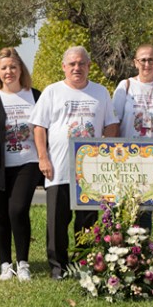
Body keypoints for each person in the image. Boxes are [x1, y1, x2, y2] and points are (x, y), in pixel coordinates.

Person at [31, 46, 119, 280]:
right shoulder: (52, 92)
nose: (77, 68)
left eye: (81, 63)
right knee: (57, 222)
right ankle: (58, 267)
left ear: (89, 66)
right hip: (58, 168)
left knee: (87, 222)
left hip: (90, 172)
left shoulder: (100, 92)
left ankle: (84, 263)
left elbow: (111, 124)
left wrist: (104, 153)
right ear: (64, 67)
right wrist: (43, 157)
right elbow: (39, 127)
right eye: (72, 64)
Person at [0, 47, 42, 281]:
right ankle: (5, 264)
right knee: (0, 214)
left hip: (27, 163)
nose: (9, 71)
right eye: (4, 68)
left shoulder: (35, 96)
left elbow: (46, 131)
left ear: (21, 69)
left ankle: (22, 263)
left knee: (18, 210)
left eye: (13, 66)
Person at [112, 43, 153, 231]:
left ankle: (141, 254)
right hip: (125, 159)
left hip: (150, 159)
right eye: (142, 60)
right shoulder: (125, 86)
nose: (147, 64)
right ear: (135, 62)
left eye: (151, 59)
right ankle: (118, 254)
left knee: (144, 212)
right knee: (120, 209)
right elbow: (114, 123)